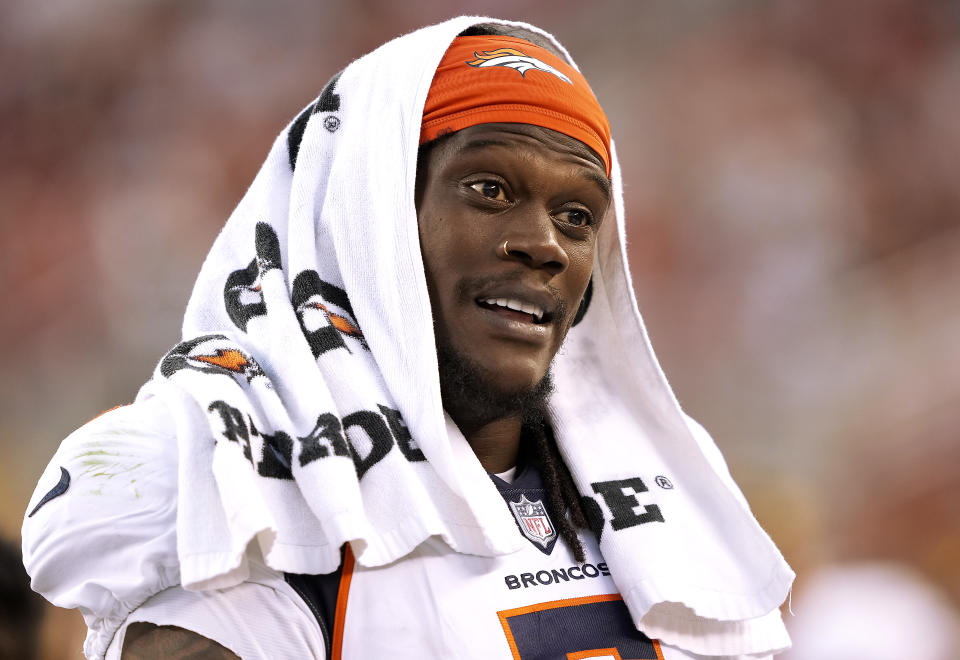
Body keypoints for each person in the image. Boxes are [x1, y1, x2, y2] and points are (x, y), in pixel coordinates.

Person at [22, 17, 794, 660]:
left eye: (577, 216)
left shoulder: (657, 471)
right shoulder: (235, 468)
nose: (546, 245)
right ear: (368, 218)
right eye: (490, 189)